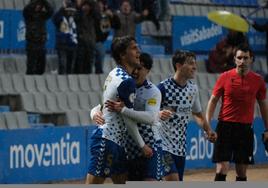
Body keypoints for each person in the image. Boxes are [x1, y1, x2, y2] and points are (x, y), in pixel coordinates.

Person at [85, 36, 152, 184]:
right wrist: (142, 145)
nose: (138, 52)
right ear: (122, 55)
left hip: (116, 142)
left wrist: (94, 112)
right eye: (134, 48)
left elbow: (104, 104)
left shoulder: (114, 73)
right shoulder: (126, 81)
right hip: (107, 139)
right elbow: (128, 118)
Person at [206, 45, 268, 181]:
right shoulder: (224, 77)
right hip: (224, 127)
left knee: (241, 172)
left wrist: (267, 128)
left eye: (246, 58)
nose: (242, 61)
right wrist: (207, 126)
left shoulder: (258, 81)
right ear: (234, 59)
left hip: (245, 130)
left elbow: (263, 105)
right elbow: (212, 101)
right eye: (239, 58)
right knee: (222, 168)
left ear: (251, 59)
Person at [158, 50, 217, 181]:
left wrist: (208, 130)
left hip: (180, 149)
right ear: (178, 66)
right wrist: (158, 114)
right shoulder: (163, 88)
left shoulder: (193, 89)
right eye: (190, 63)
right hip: (163, 146)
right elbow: (148, 112)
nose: (195, 67)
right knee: (173, 180)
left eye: (195, 63)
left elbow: (197, 114)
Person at [103, 53, 164, 181]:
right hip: (130, 149)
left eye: (140, 68)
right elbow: (103, 105)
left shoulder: (152, 91)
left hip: (150, 146)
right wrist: (94, 112)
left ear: (148, 70)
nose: (135, 72)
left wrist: (124, 110)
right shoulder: (124, 84)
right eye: (134, 68)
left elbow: (151, 118)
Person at [23, 0, 53, 75]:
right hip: (32, 44)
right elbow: (26, 9)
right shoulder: (28, 15)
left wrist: (44, 1)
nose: (38, 6)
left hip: (41, 44)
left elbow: (51, 11)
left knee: (41, 68)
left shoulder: (43, 15)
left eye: (40, 5)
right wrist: (35, 2)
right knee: (31, 67)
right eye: (37, 5)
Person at [94, 0, 121, 74]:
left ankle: (98, 71)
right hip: (94, 40)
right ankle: (98, 71)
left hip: (101, 40)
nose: (100, 6)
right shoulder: (93, 15)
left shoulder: (107, 16)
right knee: (101, 52)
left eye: (101, 5)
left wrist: (113, 16)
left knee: (101, 52)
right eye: (97, 5)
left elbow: (117, 26)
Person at [53, 0, 78, 74]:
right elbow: (54, 19)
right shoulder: (61, 18)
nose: (70, 12)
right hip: (62, 44)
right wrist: (62, 9)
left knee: (70, 66)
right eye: (68, 10)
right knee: (62, 64)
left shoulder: (76, 19)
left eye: (72, 11)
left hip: (72, 44)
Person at [74, 0, 96, 74]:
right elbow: (76, 17)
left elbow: (96, 13)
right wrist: (80, 6)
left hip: (90, 42)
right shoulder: (78, 14)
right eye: (84, 5)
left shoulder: (92, 15)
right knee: (80, 62)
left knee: (89, 63)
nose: (85, 7)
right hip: (80, 42)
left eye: (87, 6)